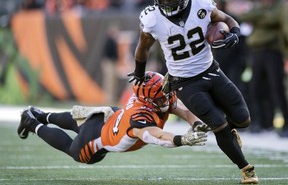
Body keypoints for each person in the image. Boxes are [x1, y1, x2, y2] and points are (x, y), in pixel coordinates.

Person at [127, 0, 258, 184]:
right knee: (217, 124)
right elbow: (143, 48)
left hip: (211, 70)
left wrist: (233, 32)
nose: (167, 3)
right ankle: (246, 168)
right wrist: (139, 73)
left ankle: (231, 131)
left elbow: (225, 18)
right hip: (184, 82)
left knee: (243, 119)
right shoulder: (152, 18)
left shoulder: (201, 3)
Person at [17, 71, 209, 165]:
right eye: (161, 95)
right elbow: (155, 136)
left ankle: (41, 115)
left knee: (77, 123)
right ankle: (31, 122)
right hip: (97, 136)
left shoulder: (154, 97)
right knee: (76, 153)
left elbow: (182, 110)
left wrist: (197, 123)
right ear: (149, 99)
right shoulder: (141, 116)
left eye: (165, 92)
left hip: (108, 116)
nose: (166, 97)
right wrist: (181, 139)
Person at [239, 0, 288, 136]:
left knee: (276, 88)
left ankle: (285, 124)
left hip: (273, 52)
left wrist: (261, 17)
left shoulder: (281, 8)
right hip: (256, 53)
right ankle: (259, 122)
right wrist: (264, 14)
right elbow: (244, 16)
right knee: (255, 88)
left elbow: (275, 18)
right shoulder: (260, 8)